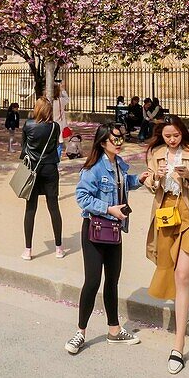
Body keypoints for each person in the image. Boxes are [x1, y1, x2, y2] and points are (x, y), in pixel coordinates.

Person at [65, 124, 148, 355]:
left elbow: (122, 184)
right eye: (115, 139)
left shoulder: (118, 164)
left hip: (114, 231)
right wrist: (108, 209)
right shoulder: (93, 168)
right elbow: (82, 197)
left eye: (121, 138)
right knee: (92, 281)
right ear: (103, 142)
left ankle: (114, 329)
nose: (119, 142)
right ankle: (80, 332)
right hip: (94, 229)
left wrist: (138, 180)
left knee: (112, 280)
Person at [143, 116, 189, 374]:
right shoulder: (157, 154)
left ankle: (178, 346)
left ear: (182, 132)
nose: (172, 139)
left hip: (188, 215)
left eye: (176, 135)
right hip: (165, 214)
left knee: (182, 274)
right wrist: (156, 178)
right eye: (168, 136)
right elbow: (150, 185)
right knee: (174, 267)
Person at [21, 96, 64, 260]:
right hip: (50, 168)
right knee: (54, 208)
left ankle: (28, 250)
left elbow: (24, 148)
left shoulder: (28, 125)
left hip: (32, 169)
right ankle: (59, 248)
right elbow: (54, 146)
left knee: (30, 209)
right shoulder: (55, 127)